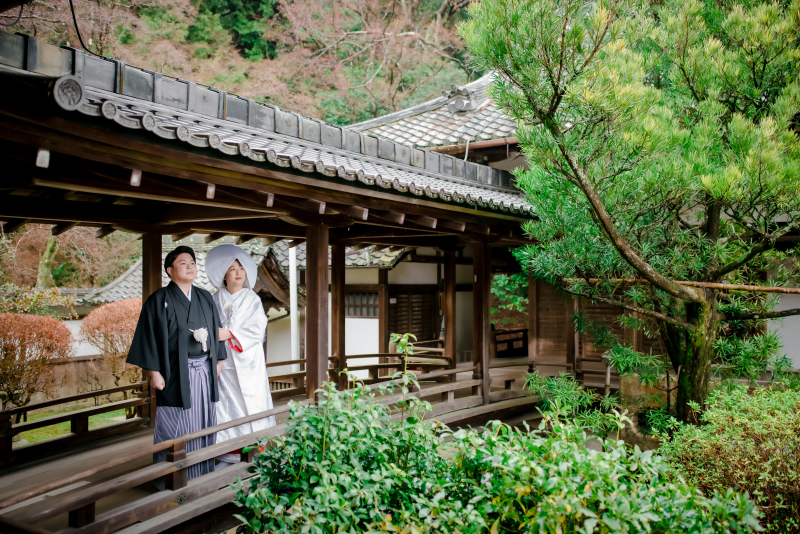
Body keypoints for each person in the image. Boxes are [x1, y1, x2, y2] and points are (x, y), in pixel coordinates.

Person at [127, 245, 228, 489]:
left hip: (203, 369)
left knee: (204, 419)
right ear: (170, 271)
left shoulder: (204, 296)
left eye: (192, 262)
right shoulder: (159, 300)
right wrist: (155, 372)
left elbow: (216, 330)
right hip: (173, 372)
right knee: (173, 421)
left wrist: (219, 359)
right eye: (183, 262)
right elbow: (148, 336)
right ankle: (167, 477)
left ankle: (201, 471)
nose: (190, 265)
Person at [204, 244, 275, 470]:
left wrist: (231, 333)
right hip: (223, 364)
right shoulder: (214, 300)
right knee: (225, 406)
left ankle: (255, 449)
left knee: (251, 404)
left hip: (248, 362)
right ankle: (228, 452)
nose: (238, 272)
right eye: (233, 268)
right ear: (224, 273)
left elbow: (258, 327)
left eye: (241, 268)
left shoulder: (252, 299)